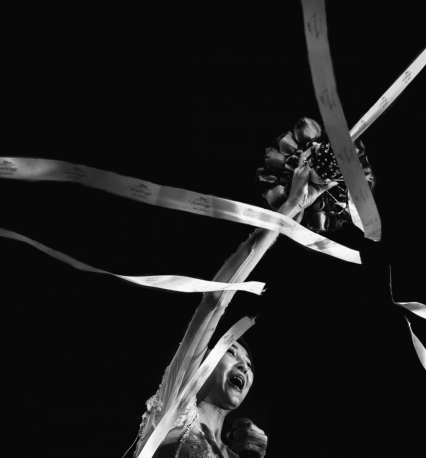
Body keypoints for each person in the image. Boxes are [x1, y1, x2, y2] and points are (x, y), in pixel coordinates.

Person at [134, 148, 337, 458]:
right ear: (201, 364)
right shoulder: (174, 406)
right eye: (231, 351)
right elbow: (216, 298)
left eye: (250, 365)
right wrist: (293, 204)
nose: (245, 365)